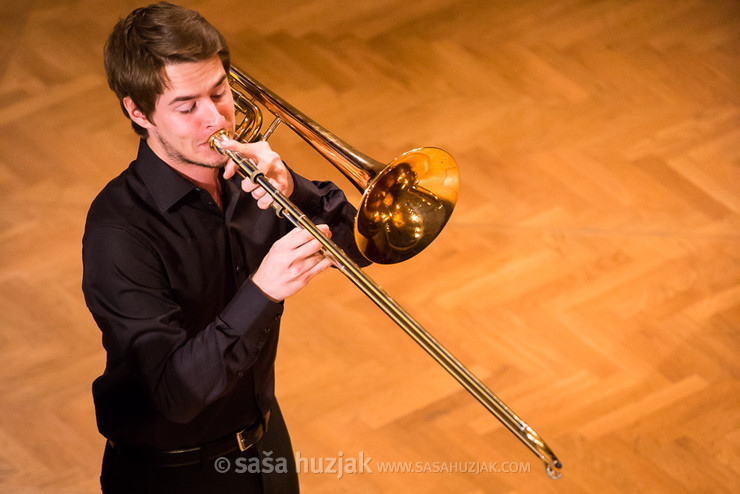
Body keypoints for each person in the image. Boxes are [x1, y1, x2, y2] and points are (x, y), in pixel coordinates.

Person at [82, 2, 368, 492]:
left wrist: (293, 187)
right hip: (170, 473)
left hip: (265, 446)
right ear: (137, 111)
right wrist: (263, 290)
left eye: (220, 93)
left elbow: (362, 242)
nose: (215, 120)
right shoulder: (119, 232)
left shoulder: (249, 177)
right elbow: (177, 394)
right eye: (187, 106)